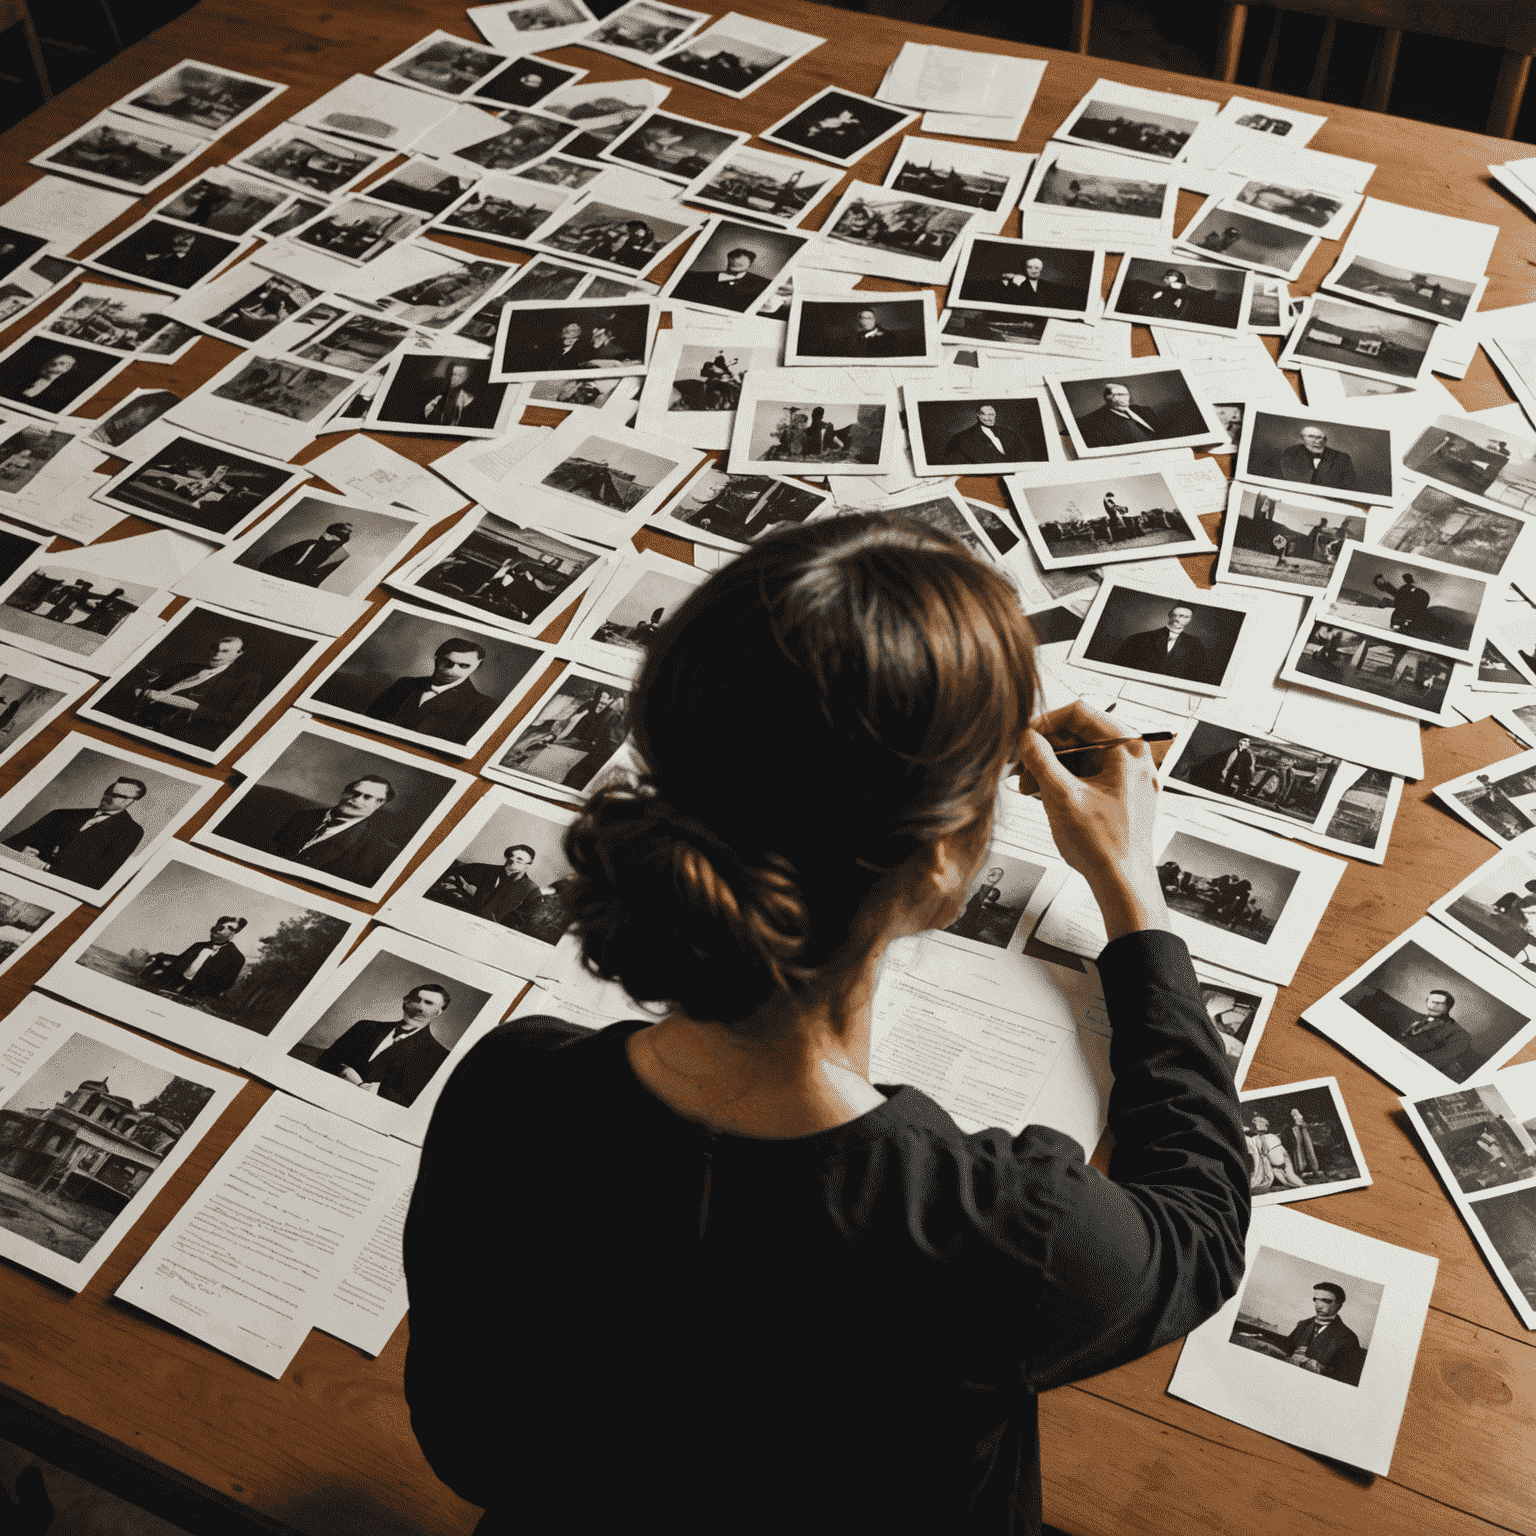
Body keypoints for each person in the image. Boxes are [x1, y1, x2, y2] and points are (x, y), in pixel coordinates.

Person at [402, 516, 1250, 1535]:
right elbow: (1200, 1229)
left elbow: (469, 1445)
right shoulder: (1003, 1230)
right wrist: (1131, 893)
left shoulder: (509, 1086)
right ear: (941, 864)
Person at [316, 984, 453, 1107]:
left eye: (428, 1003)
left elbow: (411, 1103)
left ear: (438, 1012)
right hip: (325, 1096)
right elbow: (324, 1060)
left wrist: (365, 1086)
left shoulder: (439, 1055)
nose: (419, 1008)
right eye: (416, 1000)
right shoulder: (365, 1026)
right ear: (406, 1001)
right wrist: (342, 1070)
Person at [125, 633, 265, 750]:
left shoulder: (247, 679)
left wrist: (185, 703)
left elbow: (233, 719)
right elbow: (146, 686)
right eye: (215, 648)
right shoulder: (187, 668)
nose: (216, 654)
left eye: (225, 651)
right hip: (136, 726)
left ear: (239, 654)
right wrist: (140, 692)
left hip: (180, 739)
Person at [3, 776, 147, 889]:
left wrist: (46, 868)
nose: (110, 797)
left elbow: (100, 877)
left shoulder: (131, 831)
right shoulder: (61, 814)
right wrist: (22, 851)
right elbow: (11, 843)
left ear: (134, 801)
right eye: (108, 792)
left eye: (120, 796)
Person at [270, 774, 401, 885]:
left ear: (379, 804)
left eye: (367, 797)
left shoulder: (381, 852)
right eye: (354, 793)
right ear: (344, 793)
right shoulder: (302, 816)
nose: (355, 800)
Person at [364, 638, 499, 745]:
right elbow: (367, 722)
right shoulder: (404, 684)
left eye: (464, 666)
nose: (452, 670)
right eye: (446, 662)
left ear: (477, 666)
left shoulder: (484, 706)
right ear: (436, 658)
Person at [1253, 1283, 1363, 1384]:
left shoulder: (1349, 1338)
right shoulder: (1303, 1325)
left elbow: (1345, 1378)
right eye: (1316, 1300)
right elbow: (1288, 1348)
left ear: (1339, 1305)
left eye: (1326, 1301)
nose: (1318, 1306)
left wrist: (1320, 1369)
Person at [434, 843, 554, 930]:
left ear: (529, 865)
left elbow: (523, 923)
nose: (512, 860)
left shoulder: (531, 890)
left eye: (519, 860)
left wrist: (474, 893)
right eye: (510, 857)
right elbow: (449, 875)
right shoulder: (483, 869)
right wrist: (456, 885)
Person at [139, 916, 248, 1000]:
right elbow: (180, 960)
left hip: (197, 993)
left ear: (233, 934)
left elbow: (226, 983)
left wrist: (196, 991)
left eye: (230, 928)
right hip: (174, 982)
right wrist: (158, 956)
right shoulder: (198, 946)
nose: (223, 929)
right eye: (220, 926)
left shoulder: (236, 957)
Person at [1109, 603, 1213, 683]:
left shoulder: (1195, 644)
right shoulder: (1139, 638)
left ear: (1190, 620)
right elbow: (1117, 666)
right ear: (1170, 616)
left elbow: (1199, 673)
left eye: (1184, 616)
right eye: (1176, 615)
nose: (1178, 619)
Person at [1394, 988, 1477, 1078]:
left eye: (1439, 1004)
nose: (1433, 1006)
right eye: (1431, 1001)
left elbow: (1436, 1061)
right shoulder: (1419, 1018)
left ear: (1448, 1006)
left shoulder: (1460, 1034)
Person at [669, 246, 771, 311]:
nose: (737, 262)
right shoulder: (696, 278)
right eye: (734, 258)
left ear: (750, 264)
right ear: (729, 259)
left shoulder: (764, 284)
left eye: (742, 262)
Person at [256, 521, 353, 586]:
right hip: (270, 574)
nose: (337, 547)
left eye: (340, 544)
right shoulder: (311, 545)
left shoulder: (327, 551)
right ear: (327, 536)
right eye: (336, 543)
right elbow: (270, 566)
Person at [937, 403, 1032, 466]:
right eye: (986, 415)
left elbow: (1024, 455)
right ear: (978, 415)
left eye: (992, 414)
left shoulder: (1009, 433)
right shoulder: (960, 438)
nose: (990, 418)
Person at [1075, 382, 1165, 448]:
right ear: (1109, 397)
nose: (1127, 397)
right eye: (1121, 394)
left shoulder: (1145, 410)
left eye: (1127, 394)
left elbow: (1162, 432)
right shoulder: (1095, 420)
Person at [1277, 426, 1358, 491]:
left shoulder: (1342, 458)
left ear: (1325, 440)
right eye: (1310, 436)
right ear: (1303, 438)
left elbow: (1350, 487)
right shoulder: (1291, 453)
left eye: (1319, 437)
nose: (1314, 441)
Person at [976, 255, 1068, 308]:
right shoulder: (1015, 281)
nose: (1033, 270)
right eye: (1030, 267)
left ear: (1041, 270)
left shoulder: (1047, 286)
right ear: (1025, 268)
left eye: (1036, 268)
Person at [1245, 1113, 1307, 1192]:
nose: (1258, 1125)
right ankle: (1289, 1182)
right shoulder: (1255, 1139)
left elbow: (1282, 1153)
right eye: (1257, 1123)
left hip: (1279, 1156)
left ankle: (1296, 1183)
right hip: (1270, 1162)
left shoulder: (1272, 1137)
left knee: (1291, 1176)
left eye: (1260, 1123)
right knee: (1283, 1180)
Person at [10, 352, 80, 413]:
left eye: (62, 363)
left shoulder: (60, 393)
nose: (54, 363)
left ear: (68, 368)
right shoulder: (25, 377)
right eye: (53, 360)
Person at [948, 865, 1004, 940]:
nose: (986, 899)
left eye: (990, 897)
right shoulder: (973, 901)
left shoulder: (986, 915)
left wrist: (990, 883)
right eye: (987, 895)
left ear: (992, 901)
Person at [837, 306, 908, 357]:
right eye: (864, 318)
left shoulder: (889, 336)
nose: (867, 321)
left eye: (870, 318)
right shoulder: (853, 337)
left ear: (875, 320)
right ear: (859, 321)